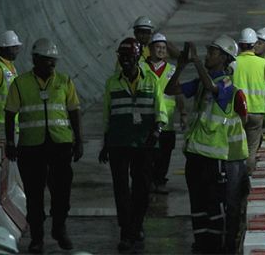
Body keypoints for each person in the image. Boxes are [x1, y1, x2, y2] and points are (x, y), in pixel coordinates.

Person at [165, 36, 247, 254]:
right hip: (195, 154)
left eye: (212, 52)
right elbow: (170, 90)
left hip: (214, 157)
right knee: (198, 206)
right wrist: (182, 65)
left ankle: (218, 247)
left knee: (215, 205)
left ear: (224, 58)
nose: (207, 55)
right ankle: (201, 245)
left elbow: (213, 87)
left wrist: (196, 62)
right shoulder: (201, 82)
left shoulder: (227, 83)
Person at [4, 38, 83, 254]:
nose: (52, 65)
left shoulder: (64, 82)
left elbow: (74, 111)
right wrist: (10, 142)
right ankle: (37, 237)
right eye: (48, 61)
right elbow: (10, 113)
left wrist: (79, 141)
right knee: (34, 193)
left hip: (60, 143)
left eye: (54, 61)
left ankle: (59, 227)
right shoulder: (21, 83)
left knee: (62, 191)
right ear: (36, 60)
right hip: (32, 146)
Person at [99, 37, 168, 253]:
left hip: (144, 144)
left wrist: (157, 130)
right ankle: (126, 232)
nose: (125, 61)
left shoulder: (151, 81)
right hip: (119, 143)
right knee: (121, 189)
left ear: (138, 57)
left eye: (129, 57)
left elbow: (161, 109)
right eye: (122, 57)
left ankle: (135, 226)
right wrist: (105, 143)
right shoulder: (112, 82)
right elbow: (106, 116)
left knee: (141, 189)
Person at [143, 33, 187, 194]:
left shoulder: (171, 70)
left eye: (163, 48)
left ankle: (160, 181)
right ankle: (148, 181)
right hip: (147, 119)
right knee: (148, 154)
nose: (161, 51)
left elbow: (179, 93)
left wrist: (183, 114)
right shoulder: (142, 68)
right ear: (150, 49)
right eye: (158, 47)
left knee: (165, 153)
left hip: (167, 121)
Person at [232, 28, 265, 172]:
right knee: (251, 148)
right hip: (257, 112)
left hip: (237, 112)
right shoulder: (263, 63)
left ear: (240, 44)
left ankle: (236, 175)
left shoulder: (233, 63)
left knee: (236, 146)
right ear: (253, 44)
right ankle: (248, 176)